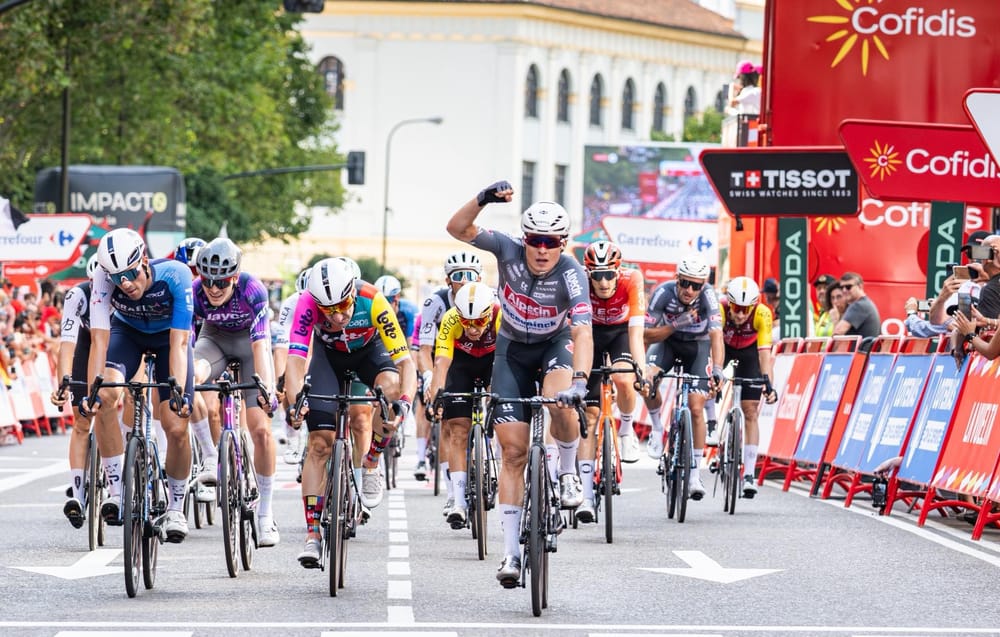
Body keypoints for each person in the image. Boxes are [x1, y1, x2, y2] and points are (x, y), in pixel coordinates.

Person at [446, 180, 593, 588]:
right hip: (510, 351)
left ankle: (566, 471)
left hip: (554, 346)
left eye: (551, 241)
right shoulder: (507, 249)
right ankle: (511, 552)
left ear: (563, 242)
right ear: (524, 238)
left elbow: (582, 333)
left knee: (560, 402)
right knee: (512, 453)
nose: (542, 249)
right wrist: (482, 199)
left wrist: (580, 382)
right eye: (535, 240)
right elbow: (457, 229)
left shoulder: (573, 274)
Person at [284, 258, 416, 568]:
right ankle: (313, 535)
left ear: (351, 293)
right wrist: (294, 404)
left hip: (370, 354)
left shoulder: (372, 299)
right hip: (329, 360)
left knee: (391, 391)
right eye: (329, 311)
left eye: (344, 305)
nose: (340, 316)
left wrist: (406, 401)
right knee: (319, 443)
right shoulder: (307, 303)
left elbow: (404, 361)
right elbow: (294, 360)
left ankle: (371, 461)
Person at [82, 228, 195, 543]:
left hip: (167, 339)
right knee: (104, 396)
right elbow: (99, 339)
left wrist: (176, 391)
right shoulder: (104, 281)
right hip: (127, 334)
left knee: (175, 424)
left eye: (131, 273)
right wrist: (93, 389)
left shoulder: (176, 275)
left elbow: (180, 341)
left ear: (144, 260)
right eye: (118, 278)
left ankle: (175, 506)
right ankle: (118, 491)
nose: (126, 283)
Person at [189, 238, 280, 547]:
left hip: (248, 345)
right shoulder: (194, 292)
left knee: (261, 430)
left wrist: (267, 387)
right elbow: (184, 344)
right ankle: (210, 456)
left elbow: (261, 343)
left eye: (222, 281)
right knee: (189, 377)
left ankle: (265, 514)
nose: (214, 288)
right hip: (213, 341)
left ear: (235, 276)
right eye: (209, 280)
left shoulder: (252, 289)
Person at [575, 240, 647, 524]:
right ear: (588, 273)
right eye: (596, 275)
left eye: (608, 275)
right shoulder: (579, 280)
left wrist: (639, 369)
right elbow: (576, 330)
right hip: (589, 334)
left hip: (620, 333)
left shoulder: (633, 279)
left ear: (619, 271)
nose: (603, 282)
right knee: (590, 417)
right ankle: (587, 497)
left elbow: (637, 333)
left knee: (623, 377)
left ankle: (627, 430)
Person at [642, 255, 724, 502]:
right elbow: (646, 335)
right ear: (677, 279)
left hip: (698, 347)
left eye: (696, 285)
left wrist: (718, 368)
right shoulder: (662, 293)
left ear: (703, 285)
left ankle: (694, 475)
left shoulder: (710, 298)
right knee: (647, 382)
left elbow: (717, 336)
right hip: (667, 343)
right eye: (685, 283)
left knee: (696, 406)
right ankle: (657, 430)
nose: (689, 290)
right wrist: (675, 325)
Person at [415, 251, 483, 516]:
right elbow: (424, 349)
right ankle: (453, 492)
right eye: (458, 276)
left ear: (479, 279)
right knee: (449, 423)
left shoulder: (492, 298)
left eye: (471, 276)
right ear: (448, 280)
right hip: (449, 359)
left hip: (484, 358)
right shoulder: (436, 303)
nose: (465, 282)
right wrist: (431, 378)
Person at [427, 281, 500, 528]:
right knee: (458, 429)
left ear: (488, 314)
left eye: (479, 322)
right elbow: (442, 362)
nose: (472, 328)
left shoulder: (500, 314)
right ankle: (458, 501)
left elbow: (508, 358)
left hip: (494, 360)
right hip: (461, 364)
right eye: (467, 322)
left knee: (503, 413)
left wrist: (496, 395)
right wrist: (436, 393)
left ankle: (495, 459)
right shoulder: (450, 319)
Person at [50, 255, 100, 528]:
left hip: (117, 344)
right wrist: (63, 384)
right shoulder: (77, 295)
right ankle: (78, 494)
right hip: (85, 346)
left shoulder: (123, 298)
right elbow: (66, 345)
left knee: (121, 402)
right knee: (81, 422)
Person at [719, 277, 778, 496]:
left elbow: (764, 353)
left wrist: (767, 382)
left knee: (751, 410)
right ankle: (712, 426)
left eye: (746, 310)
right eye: (737, 309)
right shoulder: (721, 308)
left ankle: (749, 474)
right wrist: (715, 374)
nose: (741, 315)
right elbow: (713, 344)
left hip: (749, 354)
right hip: (724, 349)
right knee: (707, 387)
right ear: (730, 303)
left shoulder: (762, 313)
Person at [273, 267, 312, 464]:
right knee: (287, 378)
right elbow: (281, 347)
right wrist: (281, 383)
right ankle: (293, 438)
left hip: (322, 347)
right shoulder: (291, 303)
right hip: (298, 346)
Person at [833, 272, 881, 338]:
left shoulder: (858, 306)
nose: (844, 290)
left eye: (848, 287)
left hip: (859, 348)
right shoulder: (865, 303)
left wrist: (835, 320)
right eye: (841, 288)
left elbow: (838, 333)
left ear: (860, 286)